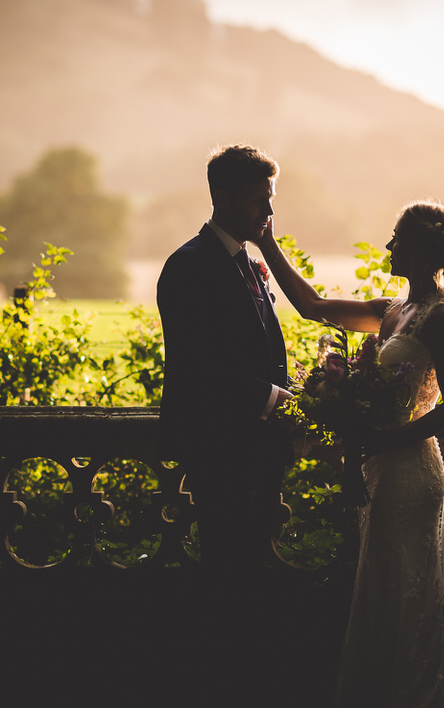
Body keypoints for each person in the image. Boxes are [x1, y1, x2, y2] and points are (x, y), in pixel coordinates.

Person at [255, 199, 444, 707]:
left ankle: (414, 692)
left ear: (417, 249)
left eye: (396, 238)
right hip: (379, 469)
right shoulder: (393, 310)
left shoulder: (443, 321)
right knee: (378, 590)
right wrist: (266, 243)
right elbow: (313, 307)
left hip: (410, 472)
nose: (389, 246)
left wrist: (387, 439)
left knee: (403, 593)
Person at [157, 144, 293, 583]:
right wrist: (274, 397)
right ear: (223, 198)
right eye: (260, 199)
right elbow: (195, 367)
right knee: (226, 571)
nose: (269, 210)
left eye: (271, 197)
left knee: (251, 568)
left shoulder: (249, 261)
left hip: (260, 447)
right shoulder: (188, 266)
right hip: (219, 448)